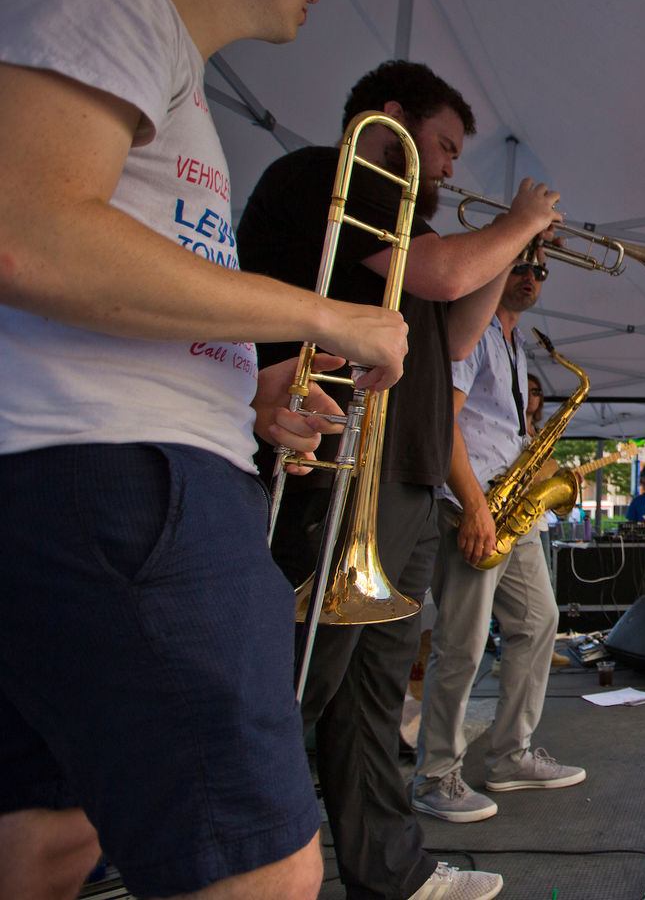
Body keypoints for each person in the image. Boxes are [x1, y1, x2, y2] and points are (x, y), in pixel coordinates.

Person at [0, 0, 409, 898]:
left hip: (92, 476)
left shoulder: (144, 52)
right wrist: (330, 316)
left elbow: (93, 266)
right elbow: (33, 234)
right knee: (261, 872)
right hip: (118, 476)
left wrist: (246, 380)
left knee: (50, 841)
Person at [239, 60, 560, 900]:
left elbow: (455, 333)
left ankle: (391, 871)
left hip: (409, 475)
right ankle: (232, 857)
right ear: (391, 119)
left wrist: (508, 257)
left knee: (374, 697)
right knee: (304, 680)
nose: (452, 168)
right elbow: (441, 275)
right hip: (344, 463)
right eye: (445, 146)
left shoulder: (412, 227)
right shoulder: (336, 177)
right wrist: (519, 222)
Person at [411, 260, 586, 826]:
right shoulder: (474, 331)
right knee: (460, 646)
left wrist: (545, 473)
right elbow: (445, 423)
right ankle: (435, 775)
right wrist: (476, 507)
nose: (532, 277)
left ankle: (511, 754)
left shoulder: (517, 346)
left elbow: (504, 432)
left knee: (538, 623)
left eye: (540, 269)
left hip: (510, 508)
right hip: (471, 504)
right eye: (519, 265)